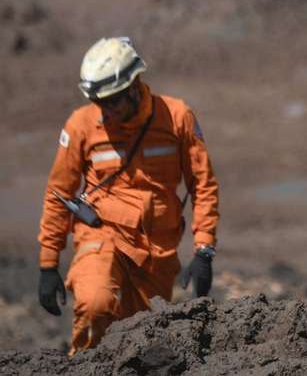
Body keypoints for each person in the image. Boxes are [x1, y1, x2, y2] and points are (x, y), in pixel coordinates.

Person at [37, 37, 220, 354]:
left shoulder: (177, 118)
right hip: (102, 235)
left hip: (157, 252)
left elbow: (203, 185)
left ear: (135, 85)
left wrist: (204, 251)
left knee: (144, 342)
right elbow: (59, 193)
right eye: (101, 103)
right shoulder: (82, 125)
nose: (107, 110)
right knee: (95, 305)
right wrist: (48, 263)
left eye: (113, 101)